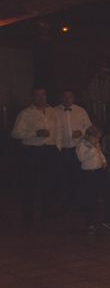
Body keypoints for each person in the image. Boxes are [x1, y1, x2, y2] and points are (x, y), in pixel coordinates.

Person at [11, 86, 60, 224]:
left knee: (49, 182)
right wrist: (35, 133)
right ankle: (28, 215)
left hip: (49, 150)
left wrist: (58, 146)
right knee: (30, 183)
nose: (40, 98)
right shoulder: (25, 113)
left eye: (43, 95)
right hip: (32, 150)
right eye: (37, 95)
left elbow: (58, 130)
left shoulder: (53, 111)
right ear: (32, 97)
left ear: (46, 96)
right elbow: (15, 133)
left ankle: (47, 210)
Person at [55, 89, 91, 210]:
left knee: (78, 176)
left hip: (78, 148)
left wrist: (81, 132)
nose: (67, 99)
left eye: (69, 97)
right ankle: (64, 203)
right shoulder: (54, 111)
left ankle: (78, 203)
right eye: (64, 97)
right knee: (63, 177)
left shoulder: (81, 111)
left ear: (73, 98)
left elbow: (89, 127)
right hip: (61, 149)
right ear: (61, 97)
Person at [76, 125, 107, 234]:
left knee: (99, 197)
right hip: (88, 174)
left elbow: (100, 153)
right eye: (96, 137)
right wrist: (93, 149)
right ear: (89, 136)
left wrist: (103, 160)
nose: (97, 140)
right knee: (90, 198)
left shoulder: (96, 144)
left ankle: (99, 221)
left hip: (98, 172)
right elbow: (81, 158)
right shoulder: (82, 145)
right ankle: (90, 223)